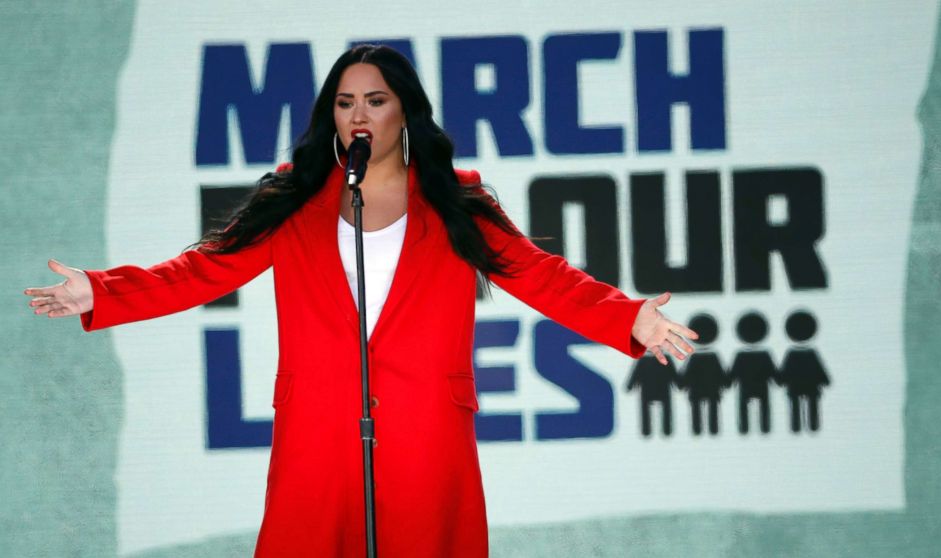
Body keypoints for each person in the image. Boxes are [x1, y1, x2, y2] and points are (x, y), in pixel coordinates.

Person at [23, 44, 698, 557]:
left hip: (426, 430)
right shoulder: (295, 199)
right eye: (345, 103)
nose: (358, 116)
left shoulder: (455, 200)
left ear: (404, 109)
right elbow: (202, 270)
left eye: (374, 100)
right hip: (318, 431)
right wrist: (100, 289)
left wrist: (626, 315)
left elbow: (538, 273)